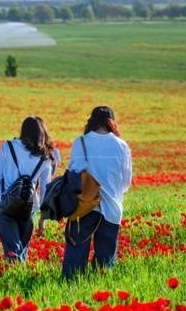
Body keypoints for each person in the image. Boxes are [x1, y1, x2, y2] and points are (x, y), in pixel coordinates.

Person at [56, 106, 132, 280]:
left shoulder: (81, 142)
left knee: (75, 257)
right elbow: (126, 182)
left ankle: (71, 287)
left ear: (91, 121)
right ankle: (99, 291)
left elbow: (74, 173)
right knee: (105, 264)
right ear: (112, 123)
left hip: (84, 207)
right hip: (112, 209)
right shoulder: (122, 146)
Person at [0, 116, 57, 262]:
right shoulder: (46, 156)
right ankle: (20, 276)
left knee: (13, 251)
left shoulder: (8, 146)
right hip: (29, 205)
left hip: (5, 203)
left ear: (23, 131)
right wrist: (43, 218)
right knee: (21, 248)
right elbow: (45, 188)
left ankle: (17, 276)